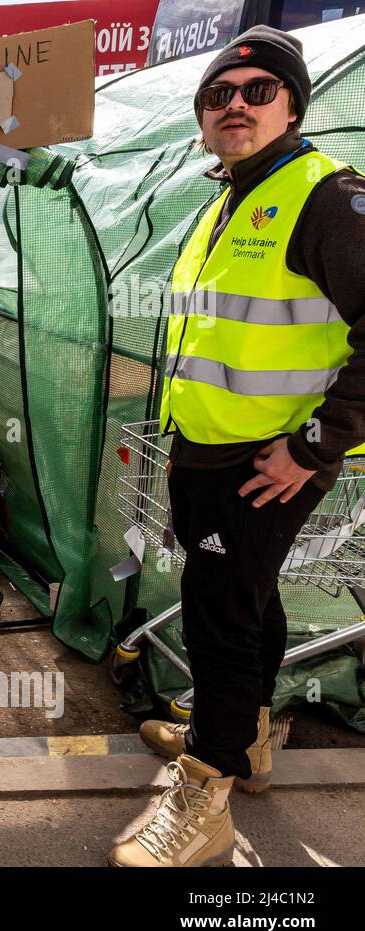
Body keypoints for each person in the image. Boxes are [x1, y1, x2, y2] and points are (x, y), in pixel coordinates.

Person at [109, 25, 365, 867]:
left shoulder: (327, 196)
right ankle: (248, 738)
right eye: (218, 94)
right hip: (209, 451)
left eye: (258, 90)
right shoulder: (230, 198)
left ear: (293, 104)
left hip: (269, 464)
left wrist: (315, 447)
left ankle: (207, 789)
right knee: (240, 599)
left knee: (221, 616)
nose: (235, 105)